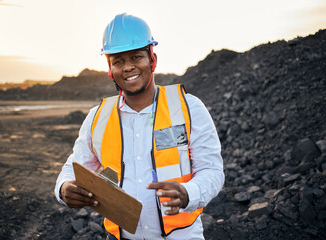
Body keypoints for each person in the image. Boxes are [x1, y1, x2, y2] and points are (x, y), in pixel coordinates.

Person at [55, 13, 224, 240]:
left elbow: (212, 169)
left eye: (136, 57)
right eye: (118, 61)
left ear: (152, 60)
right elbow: (73, 166)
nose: (128, 67)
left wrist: (189, 193)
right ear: (110, 69)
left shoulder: (188, 108)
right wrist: (64, 188)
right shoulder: (98, 118)